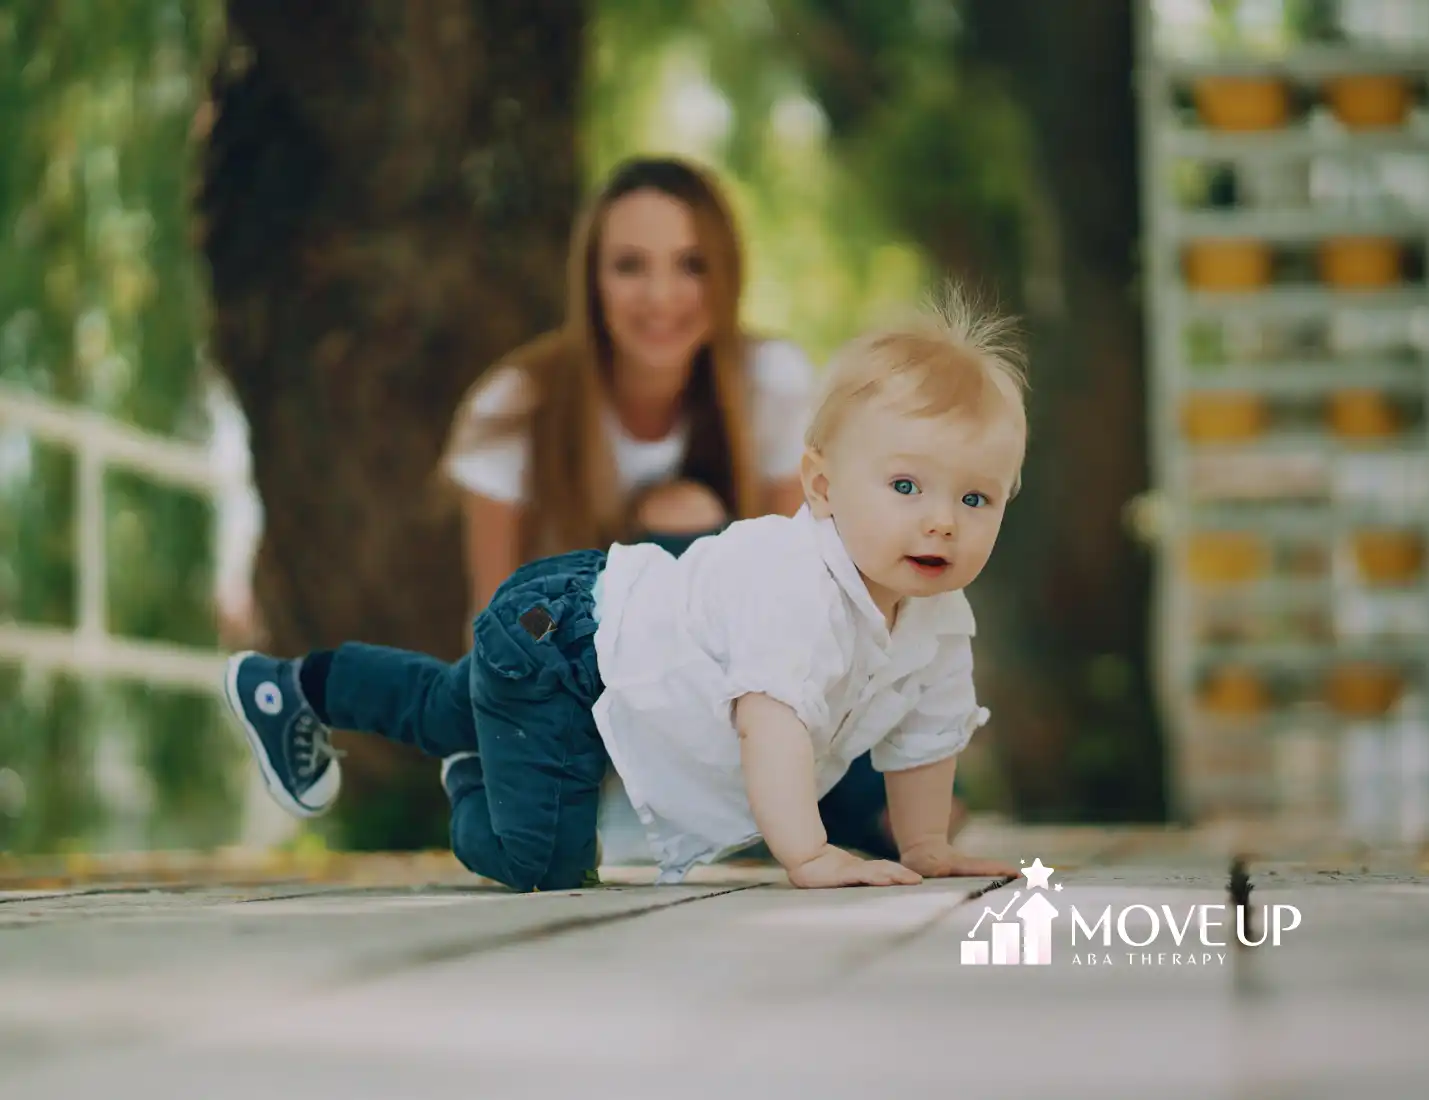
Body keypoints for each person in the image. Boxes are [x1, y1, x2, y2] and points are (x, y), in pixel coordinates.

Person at [221, 286, 1024, 891]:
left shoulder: (939, 618)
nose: (941, 524)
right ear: (820, 486)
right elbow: (770, 728)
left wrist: (923, 849)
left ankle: (296, 686)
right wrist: (809, 856)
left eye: (974, 498)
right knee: (543, 865)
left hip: (595, 646)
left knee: (442, 705)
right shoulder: (799, 591)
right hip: (563, 646)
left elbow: (926, 738)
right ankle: (476, 782)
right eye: (906, 487)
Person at [440, 155, 908, 859]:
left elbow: (808, 592)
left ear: (724, 276)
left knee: (886, 818)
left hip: (751, 688)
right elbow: (490, 625)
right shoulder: (517, 405)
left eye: (690, 265)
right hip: (590, 691)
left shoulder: (769, 383)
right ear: (591, 281)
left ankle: (800, 798)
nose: (661, 296)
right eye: (630, 265)